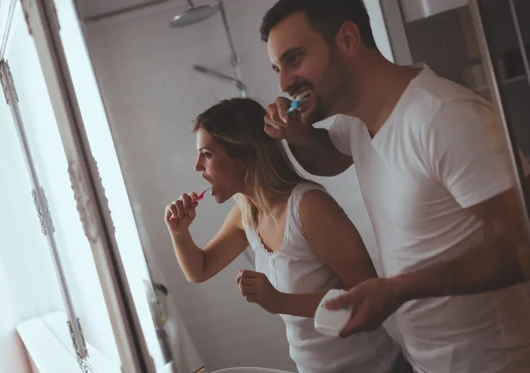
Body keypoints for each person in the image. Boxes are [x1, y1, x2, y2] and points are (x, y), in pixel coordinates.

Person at [259, 0, 530, 372]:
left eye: (294, 59)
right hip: (430, 361)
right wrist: (298, 135)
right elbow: (329, 160)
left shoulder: (443, 117)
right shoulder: (356, 122)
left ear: (348, 39)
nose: (284, 83)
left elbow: (524, 246)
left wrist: (402, 288)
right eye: (278, 68)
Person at [164, 98, 410, 373]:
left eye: (207, 154)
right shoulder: (247, 213)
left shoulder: (309, 208)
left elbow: (370, 300)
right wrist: (179, 232)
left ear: (243, 155)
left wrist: (280, 301)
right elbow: (200, 269)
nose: (197, 166)